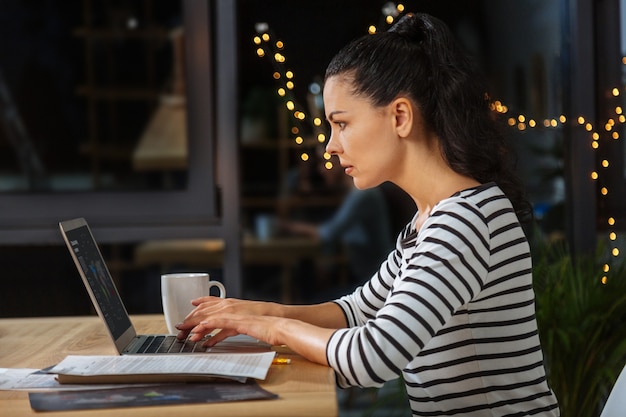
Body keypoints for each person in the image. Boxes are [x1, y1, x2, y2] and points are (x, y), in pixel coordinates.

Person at [177, 12, 560, 416]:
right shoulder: (430, 220)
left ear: (399, 116)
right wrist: (259, 312)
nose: (330, 146)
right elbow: (357, 311)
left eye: (341, 124)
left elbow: (373, 356)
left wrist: (274, 328)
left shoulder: (465, 221)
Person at [281, 145, 394, 298]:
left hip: (376, 285)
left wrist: (286, 226)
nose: (321, 169)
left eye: (326, 163)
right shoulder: (350, 194)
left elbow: (327, 233)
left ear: (342, 162)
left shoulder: (363, 195)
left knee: (311, 299)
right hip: (364, 281)